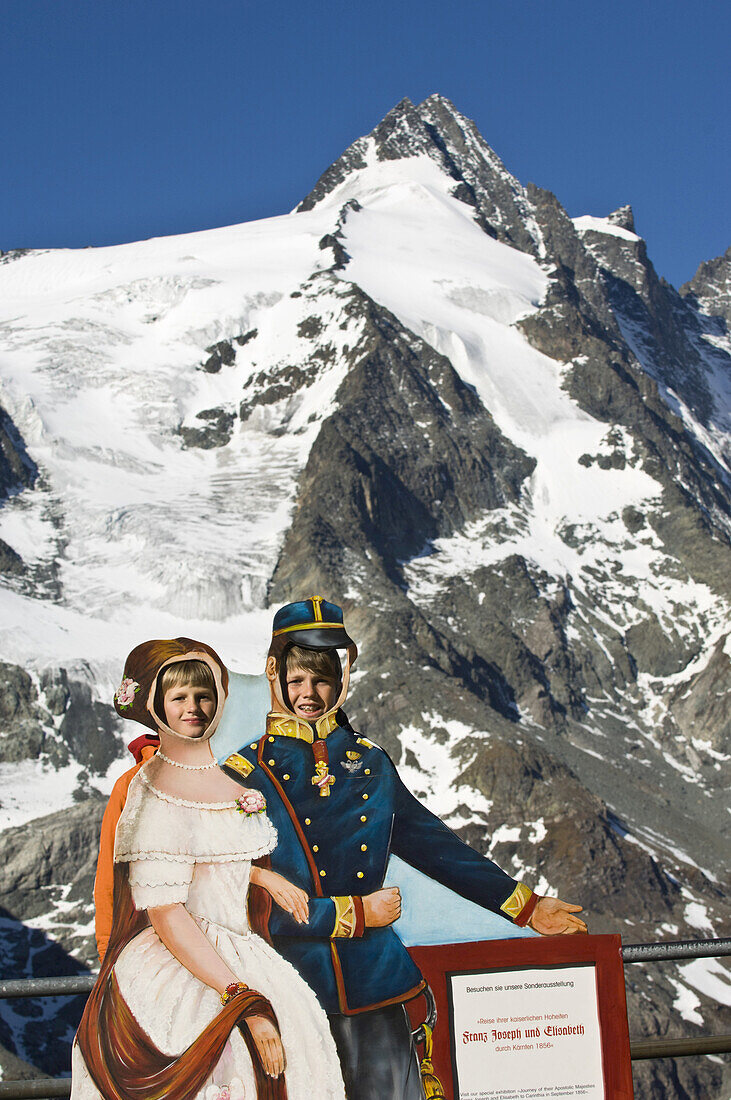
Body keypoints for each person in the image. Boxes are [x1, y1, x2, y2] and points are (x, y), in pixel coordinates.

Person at [222, 597, 587, 1100]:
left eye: (322, 678)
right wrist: (354, 913)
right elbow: (235, 893)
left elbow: (438, 848)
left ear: (341, 678)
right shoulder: (243, 775)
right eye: (297, 678)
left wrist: (527, 906)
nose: (309, 692)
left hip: (376, 982)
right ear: (273, 672)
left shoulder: (370, 761)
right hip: (292, 987)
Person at [73, 637, 346, 1100]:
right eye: (179, 698)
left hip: (239, 946)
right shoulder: (145, 787)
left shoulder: (228, 778)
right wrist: (240, 997)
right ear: (157, 706)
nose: (195, 708)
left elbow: (203, 861)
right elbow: (155, 901)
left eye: (204, 696)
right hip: (180, 959)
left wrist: (257, 875)